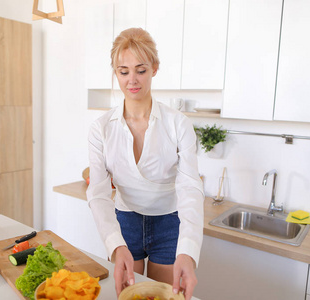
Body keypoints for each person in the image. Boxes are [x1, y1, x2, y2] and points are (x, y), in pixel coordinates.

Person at [87, 28, 204, 300]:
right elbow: (98, 192)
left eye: (140, 70)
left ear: (154, 68)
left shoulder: (178, 124)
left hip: (169, 221)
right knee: (129, 296)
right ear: (116, 73)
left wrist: (188, 251)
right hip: (125, 220)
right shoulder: (101, 128)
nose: (132, 80)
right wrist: (116, 246)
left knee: (166, 296)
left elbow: (190, 188)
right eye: (123, 71)